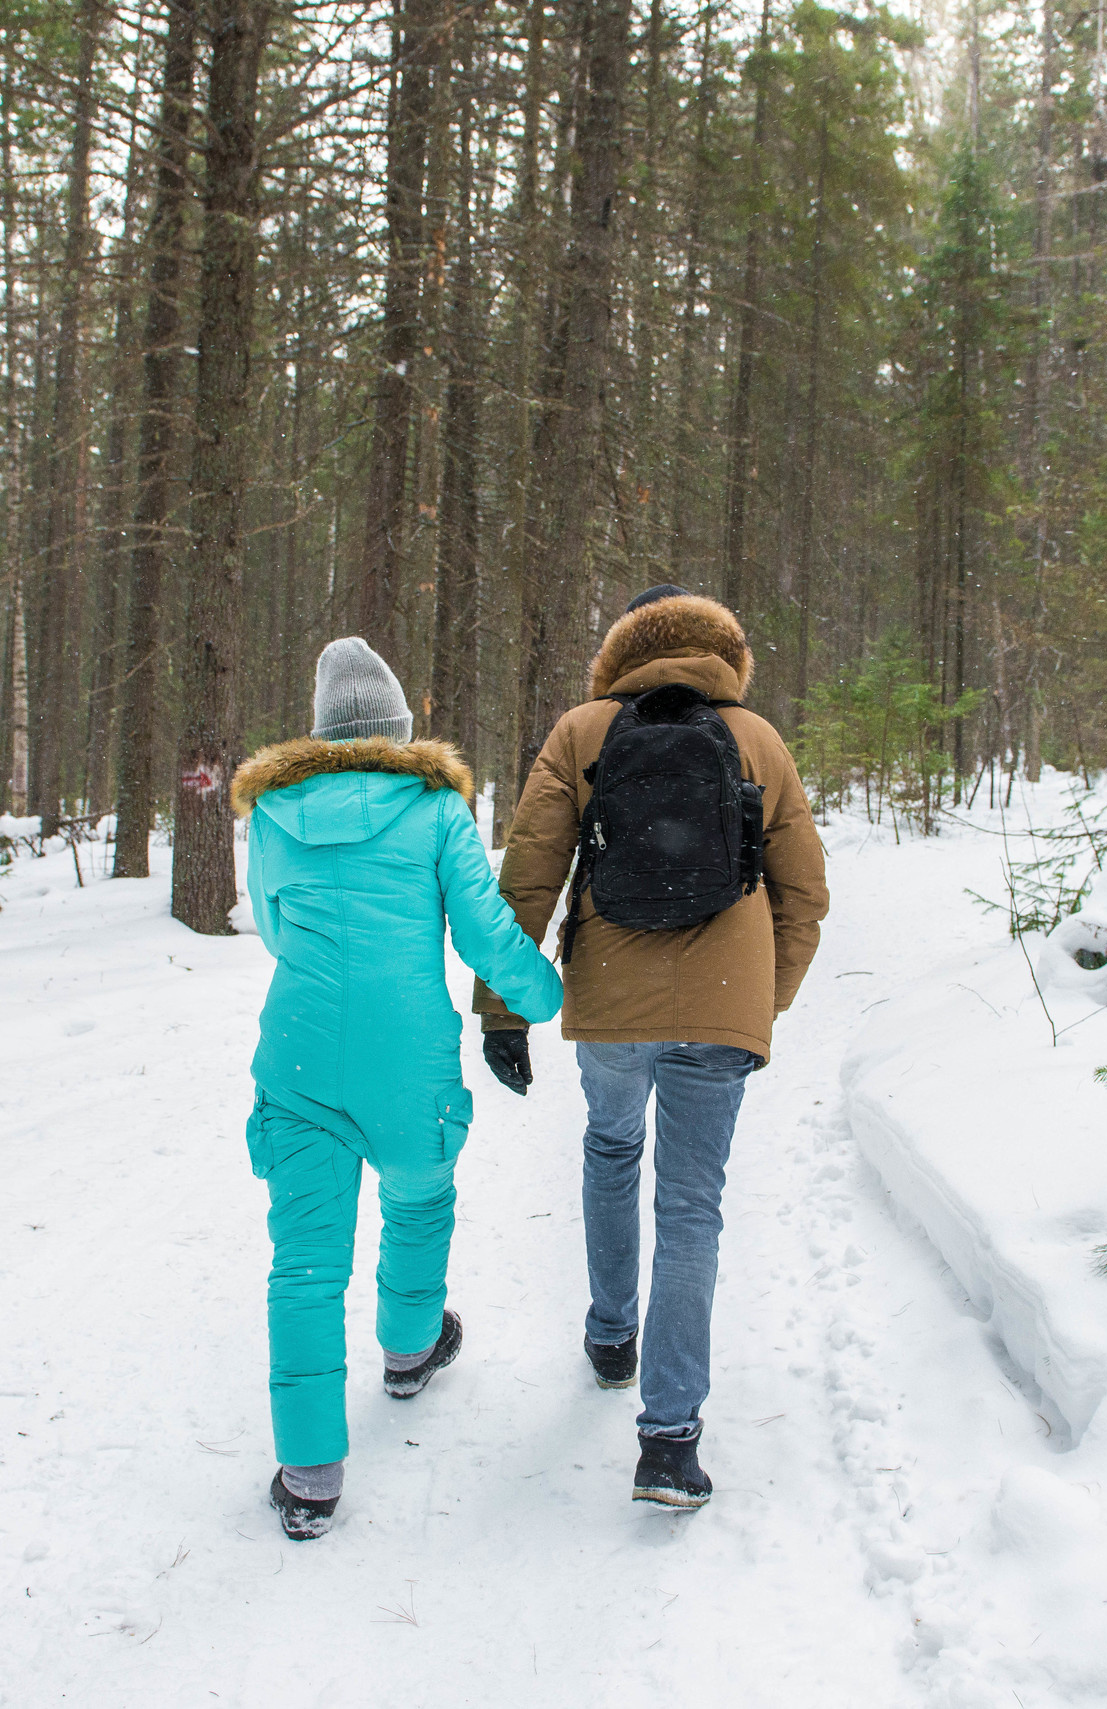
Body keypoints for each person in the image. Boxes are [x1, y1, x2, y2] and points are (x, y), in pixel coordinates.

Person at [475, 587, 829, 1509]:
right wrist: (763, 1001)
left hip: (612, 1000)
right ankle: (670, 1441)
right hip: (723, 1003)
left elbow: (529, 871)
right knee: (690, 1205)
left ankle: (609, 1334)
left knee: (610, 1145)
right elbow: (805, 893)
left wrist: (502, 1009)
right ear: (724, 652)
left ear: (622, 652)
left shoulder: (582, 730)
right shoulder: (758, 741)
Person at [234, 637, 563, 1541]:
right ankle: (411, 1349)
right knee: (418, 1204)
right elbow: (486, 933)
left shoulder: (272, 811)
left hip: (298, 1058)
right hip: (410, 1058)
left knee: (304, 1263)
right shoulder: (435, 808)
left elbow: (270, 924)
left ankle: (309, 1479)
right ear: (396, 729)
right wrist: (547, 993)